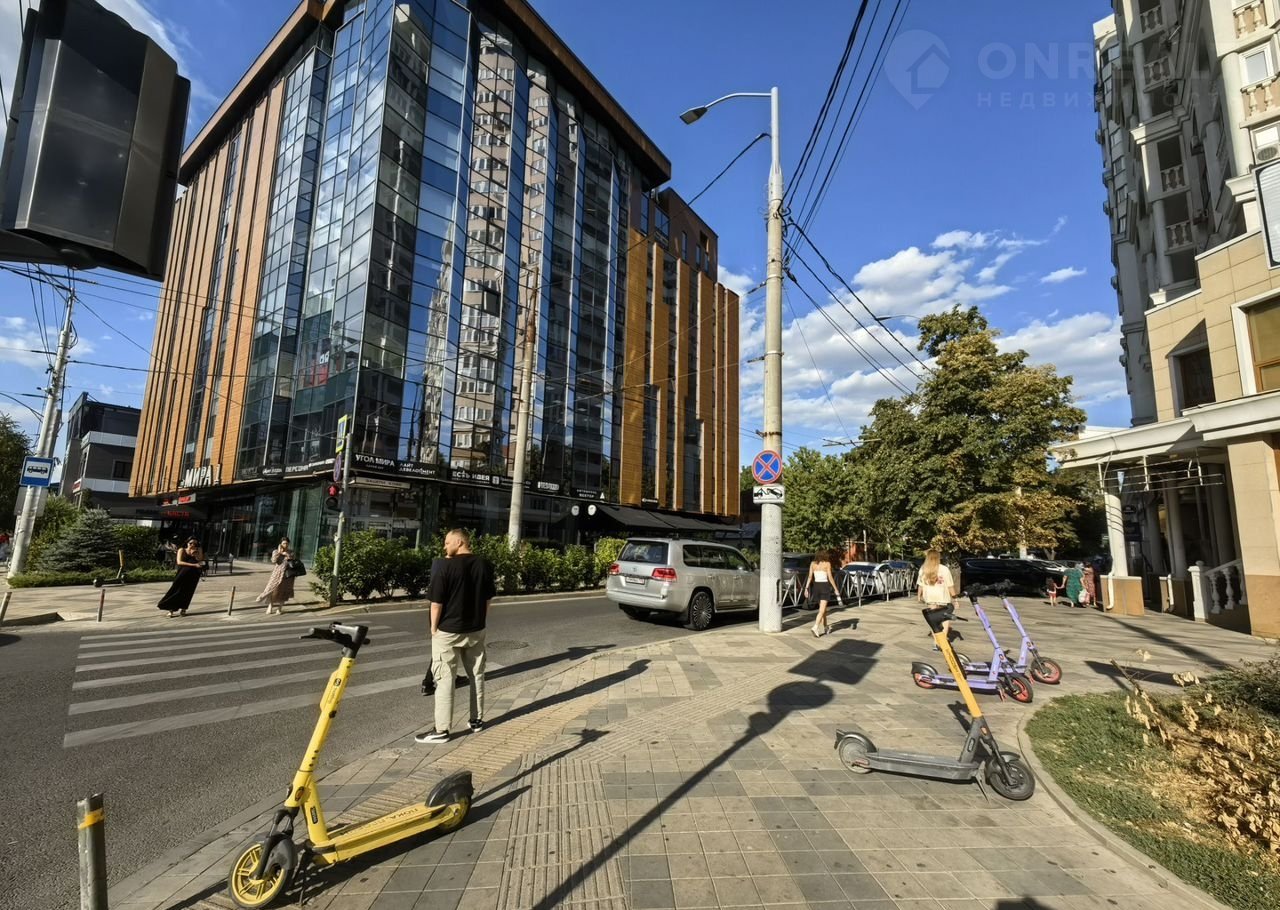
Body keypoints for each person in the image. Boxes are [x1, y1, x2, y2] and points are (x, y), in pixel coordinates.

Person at [415, 529, 495, 744]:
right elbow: (488, 599)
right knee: (477, 675)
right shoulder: (485, 565)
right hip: (476, 629)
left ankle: (441, 730)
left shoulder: (444, 566)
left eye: (447, 542)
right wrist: (480, 620)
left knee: (445, 679)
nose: (445, 546)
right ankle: (476, 720)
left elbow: (436, 603)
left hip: (448, 631)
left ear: (459, 542)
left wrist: (433, 629)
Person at [917, 549, 958, 640]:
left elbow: (920, 585)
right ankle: (943, 639)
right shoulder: (944, 569)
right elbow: (950, 586)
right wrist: (955, 599)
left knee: (933, 620)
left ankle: (936, 641)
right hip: (943, 596)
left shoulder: (923, 569)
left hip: (930, 597)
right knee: (945, 617)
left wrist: (919, 596)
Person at [156, 538, 203, 617]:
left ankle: (183, 609)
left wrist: (196, 553)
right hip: (182, 573)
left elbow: (200, 560)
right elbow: (179, 562)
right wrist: (193, 565)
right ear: (187, 543)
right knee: (176, 590)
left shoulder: (197, 551)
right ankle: (171, 609)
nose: (192, 545)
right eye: (191, 543)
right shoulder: (182, 550)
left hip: (193, 575)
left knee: (188, 592)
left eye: (195, 544)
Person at [804, 549, 841, 638]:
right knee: (821, 610)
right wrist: (836, 589)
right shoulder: (827, 564)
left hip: (816, 587)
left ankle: (825, 627)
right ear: (825, 555)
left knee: (823, 609)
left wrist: (806, 588)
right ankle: (815, 627)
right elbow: (830, 577)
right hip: (824, 587)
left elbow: (810, 577)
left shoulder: (812, 564)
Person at [255, 537, 295, 615]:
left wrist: (286, 554)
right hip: (277, 573)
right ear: (281, 544)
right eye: (284, 543)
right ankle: (270, 606)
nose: (286, 545)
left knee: (284, 591)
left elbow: (292, 562)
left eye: (287, 543)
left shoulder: (291, 552)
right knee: (273, 589)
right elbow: (273, 561)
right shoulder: (276, 551)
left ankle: (280, 608)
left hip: (288, 575)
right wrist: (280, 553)